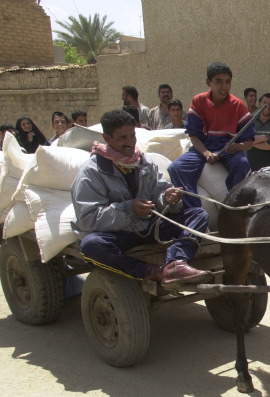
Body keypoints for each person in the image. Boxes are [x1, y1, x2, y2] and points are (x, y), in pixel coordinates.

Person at [71, 109, 211, 286]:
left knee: (198, 214)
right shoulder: (91, 172)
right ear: (107, 138)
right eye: (123, 138)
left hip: (148, 226)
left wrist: (167, 198)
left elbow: (159, 194)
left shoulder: (144, 162)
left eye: (132, 136)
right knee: (91, 245)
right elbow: (88, 219)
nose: (130, 142)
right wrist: (129, 209)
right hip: (119, 234)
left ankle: (176, 263)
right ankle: (151, 271)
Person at [168, 62, 254, 209]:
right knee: (175, 168)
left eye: (227, 82)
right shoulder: (198, 101)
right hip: (204, 145)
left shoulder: (238, 105)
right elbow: (193, 135)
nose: (224, 86)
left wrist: (238, 146)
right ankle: (194, 210)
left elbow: (250, 141)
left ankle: (234, 205)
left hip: (228, 147)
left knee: (243, 164)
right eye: (218, 81)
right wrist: (206, 153)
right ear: (208, 82)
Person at [246, 93, 270, 170]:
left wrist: (250, 143)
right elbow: (244, 139)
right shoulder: (250, 121)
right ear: (260, 104)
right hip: (249, 167)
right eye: (265, 103)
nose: (267, 106)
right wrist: (263, 138)